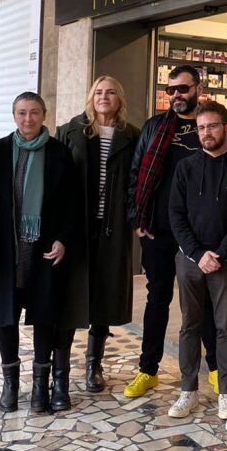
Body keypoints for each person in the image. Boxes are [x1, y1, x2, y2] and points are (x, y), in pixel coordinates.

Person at [124, 65, 227, 399]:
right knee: (157, 300)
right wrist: (137, 220)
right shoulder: (155, 127)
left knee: (207, 306)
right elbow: (136, 174)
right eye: (170, 90)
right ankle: (148, 370)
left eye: (183, 89)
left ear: (199, 88)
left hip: (200, 238)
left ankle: (214, 369)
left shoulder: (215, 127)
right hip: (158, 231)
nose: (176, 96)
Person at [0, 93, 86, 413]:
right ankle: (10, 385)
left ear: (44, 115)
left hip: (44, 251)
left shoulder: (59, 153)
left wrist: (63, 240)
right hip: (8, 251)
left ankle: (39, 388)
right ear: (14, 115)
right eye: (21, 113)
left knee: (44, 316)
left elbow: (74, 204)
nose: (27, 119)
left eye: (34, 113)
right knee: (6, 318)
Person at [57, 76, 139, 393]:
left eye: (111, 93)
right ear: (91, 98)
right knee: (71, 295)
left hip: (113, 227)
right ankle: (59, 366)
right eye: (99, 92)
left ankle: (94, 364)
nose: (104, 97)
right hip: (76, 227)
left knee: (104, 294)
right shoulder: (71, 131)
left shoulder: (131, 135)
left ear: (120, 99)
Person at [167, 102, 227, 420]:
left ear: (226, 128)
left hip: (226, 261)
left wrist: (221, 253)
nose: (206, 132)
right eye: (201, 127)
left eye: (212, 126)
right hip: (190, 260)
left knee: (226, 328)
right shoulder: (186, 167)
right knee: (189, 326)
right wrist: (198, 254)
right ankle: (187, 390)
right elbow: (176, 215)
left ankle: (226, 394)